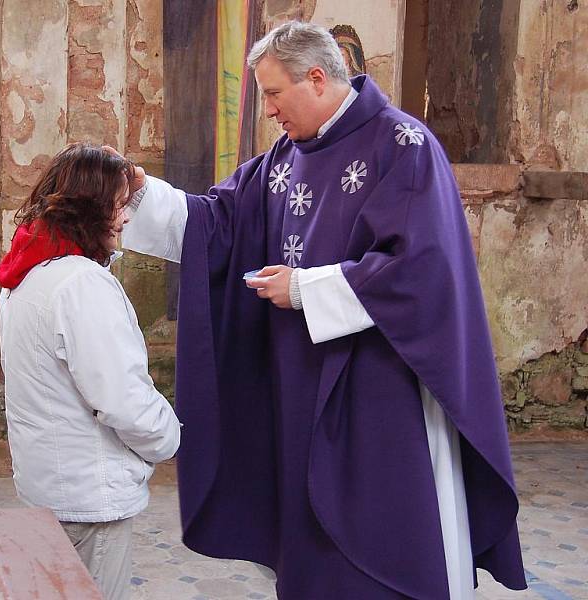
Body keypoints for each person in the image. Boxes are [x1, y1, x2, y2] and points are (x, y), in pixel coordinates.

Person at [120, 20, 526, 600]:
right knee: (310, 542)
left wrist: (308, 289)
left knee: (381, 526)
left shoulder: (403, 147)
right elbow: (219, 221)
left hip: (380, 381)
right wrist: (138, 193)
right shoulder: (285, 158)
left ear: (316, 77)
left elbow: (419, 267)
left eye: (274, 94)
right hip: (299, 378)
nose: (269, 112)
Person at [0, 143, 180, 600]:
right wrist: (170, 437)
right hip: (88, 495)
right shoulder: (81, 284)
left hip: (50, 484)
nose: (126, 218)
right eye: (119, 205)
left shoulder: (29, 272)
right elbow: (121, 398)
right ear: (90, 208)